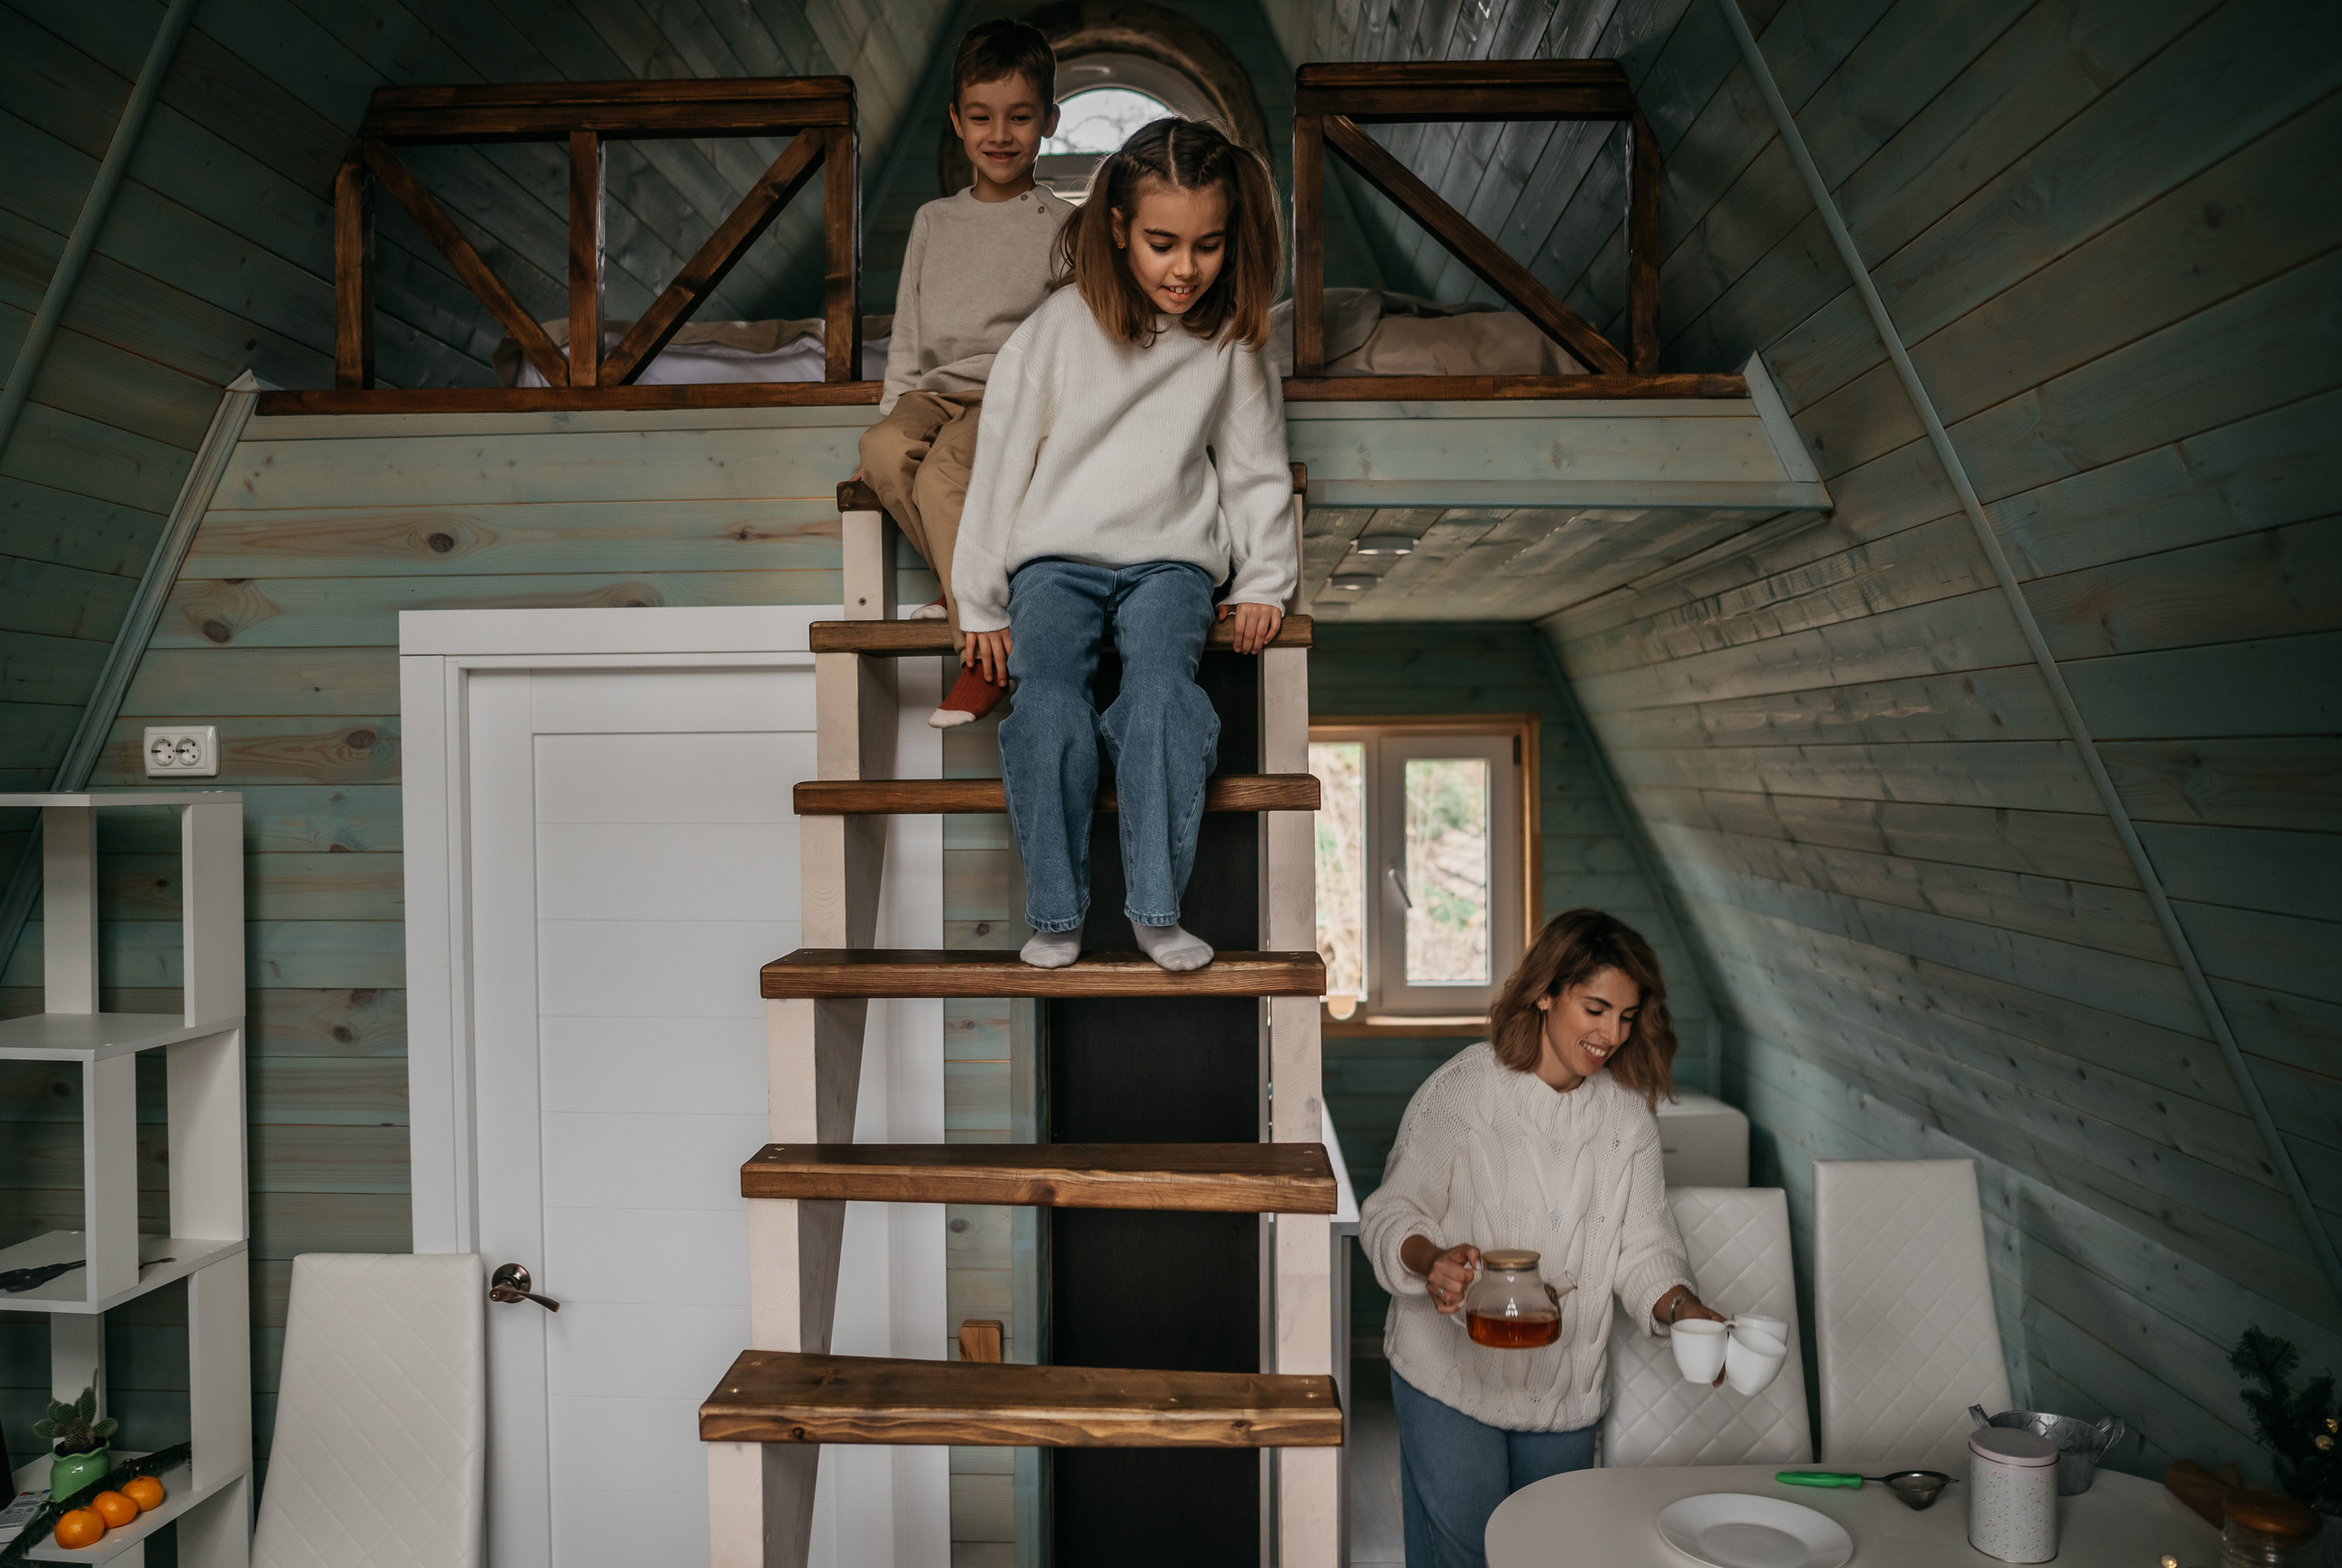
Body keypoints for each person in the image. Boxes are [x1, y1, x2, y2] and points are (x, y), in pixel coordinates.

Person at [951, 118, 1295, 972]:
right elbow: (999, 465)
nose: (1185, 269)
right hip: (1055, 562)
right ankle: (1057, 915)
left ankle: (1154, 911)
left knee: (1160, 703)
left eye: (1208, 246)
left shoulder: (1228, 345)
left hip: (1170, 563)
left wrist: (1264, 584)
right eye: (1163, 243)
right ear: (1117, 228)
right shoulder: (1057, 331)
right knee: (1047, 708)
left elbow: (1256, 470)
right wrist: (979, 599)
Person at [1360, 909, 1728, 1566]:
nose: (1611, 1033)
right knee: (1467, 1558)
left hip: (1564, 1393)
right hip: (1448, 1374)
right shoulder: (1465, 1089)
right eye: (1595, 1008)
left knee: (1544, 1561)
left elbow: (1645, 1248)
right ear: (1546, 992)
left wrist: (1684, 1308)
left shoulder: (1628, 1122)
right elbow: (1392, 1211)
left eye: (1626, 1015)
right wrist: (1432, 1262)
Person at [859, 19, 1076, 729]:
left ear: (1049, 119)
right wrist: (895, 409)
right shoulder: (932, 221)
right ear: (957, 121)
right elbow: (910, 330)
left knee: (943, 473)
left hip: (1007, 397)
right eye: (981, 117)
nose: (1001, 134)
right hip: (933, 392)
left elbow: (1074, 338)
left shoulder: (1064, 225)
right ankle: (968, 595)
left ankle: (984, 657)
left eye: (1020, 117)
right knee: (883, 453)